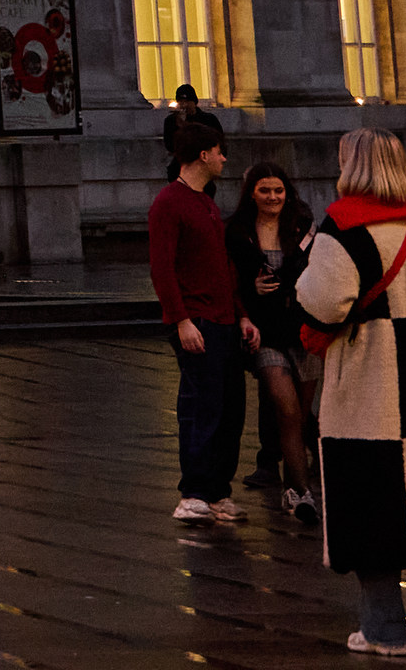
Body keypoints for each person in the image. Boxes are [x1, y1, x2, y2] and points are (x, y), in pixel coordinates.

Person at [289, 128, 406, 656]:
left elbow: (321, 304)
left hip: (373, 385)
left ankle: (384, 630)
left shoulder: (343, 224)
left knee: (370, 500)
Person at [150, 111, 245, 524]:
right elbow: (162, 268)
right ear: (203, 154)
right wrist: (182, 320)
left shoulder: (206, 203)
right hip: (198, 319)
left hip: (222, 318)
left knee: (230, 407)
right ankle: (194, 493)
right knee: (200, 406)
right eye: (220, 153)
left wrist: (241, 315)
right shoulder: (169, 202)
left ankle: (216, 491)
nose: (224, 160)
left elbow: (222, 266)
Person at [233, 158, 319, 518]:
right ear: (251, 193)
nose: (272, 196)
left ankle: (294, 481)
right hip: (266, 333)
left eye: (278, 190)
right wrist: (249, 294)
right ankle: (301, 493)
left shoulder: (303, 226)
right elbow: (231, 279)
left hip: (305, 332)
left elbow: (319, 271)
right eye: (264, 190)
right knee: (285, 410)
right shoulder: (238, 230)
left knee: (301, 414)